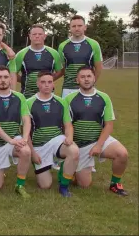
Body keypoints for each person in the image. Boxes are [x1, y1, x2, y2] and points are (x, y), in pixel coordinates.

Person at [65, 66, 129, 196]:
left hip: (98, 140)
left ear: (94, 78)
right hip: (80, 145)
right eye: (82, 77)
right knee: (84, 185)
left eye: (89, 76)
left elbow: (109, 125)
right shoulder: (69, 99)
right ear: (77, 80)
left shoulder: (104, 97)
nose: (86, 79)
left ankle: (115, 184)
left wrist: (99, 145)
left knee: (122, 153)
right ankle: (71, 170)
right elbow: (67, 124)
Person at [26, 71, 79, 197]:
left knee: (74, 151)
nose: (46, 85)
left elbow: (68, 125)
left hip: (57, 140)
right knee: (45, 185)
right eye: (43, 82)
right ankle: (50, 166)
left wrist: (69, 137)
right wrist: (33, 153)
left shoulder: (61, 101)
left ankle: (64, 186)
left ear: (53, 84)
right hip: (39, 146)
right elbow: (25, 132)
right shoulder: (28, 103)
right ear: (38, 84)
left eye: (49, 82)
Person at [0, 65, 32, 198]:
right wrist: (10, 140)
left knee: (26, 151)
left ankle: (20, 185)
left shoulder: (19, 97)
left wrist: (25, 139)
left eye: (5, 77)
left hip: (14, 140)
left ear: (11, 79)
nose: (2, 80)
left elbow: (26, 120)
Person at [9, 24, 63, 98]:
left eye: (40, 34)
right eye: (34, 34)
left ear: (44, 36)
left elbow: (60, 72)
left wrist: (48, 80)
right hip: (27, 96)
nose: (37, 36)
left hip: (48, 96)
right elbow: (13, 73)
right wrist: (25, 80)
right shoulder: (21, 54)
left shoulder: (54, 53)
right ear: (30, 36)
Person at [58, 15, 103, 98]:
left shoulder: (94, 44)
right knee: (67, 111)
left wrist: (90, 83)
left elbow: (99, 68)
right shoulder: (62, 46)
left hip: (87, 89)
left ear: (85, 27)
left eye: (79, 26)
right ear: (70, 28)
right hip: (68, 88)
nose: (77, 28)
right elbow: (62, 69)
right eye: (74, 26)